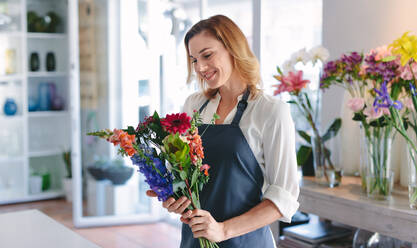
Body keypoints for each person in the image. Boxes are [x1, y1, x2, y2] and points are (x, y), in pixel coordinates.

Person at [147, 15, 299, 248]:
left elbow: (284, 197)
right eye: (194, 60)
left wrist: (222, 229)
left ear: (233, 48)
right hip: (195, 240)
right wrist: (174, 196)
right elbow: (188, 178)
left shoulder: (270, 111)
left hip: (246, 242)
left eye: (207, 55)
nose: (200, 68)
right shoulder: (194, 106)